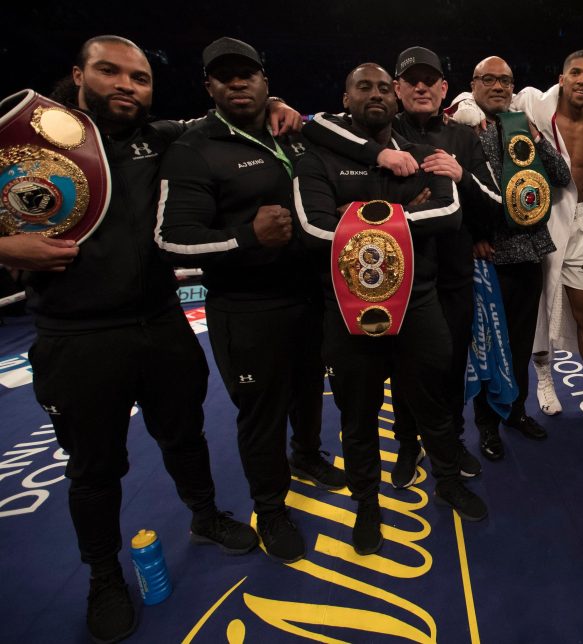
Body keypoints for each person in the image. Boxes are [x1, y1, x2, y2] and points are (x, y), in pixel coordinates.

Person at [5, 34, 296, 643]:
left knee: (185, 432)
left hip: (160, 318)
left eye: (138, 78)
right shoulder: (28, 142)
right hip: (76, 333)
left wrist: (279, 107)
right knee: (93, 468)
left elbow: (228, 116)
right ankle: (104, 575)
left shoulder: (160, 138)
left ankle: (204, 516)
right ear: (78, 76)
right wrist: (5, 245)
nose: (125, 87)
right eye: (109, 72)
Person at [155, 37, 345, 566]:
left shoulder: (295, 133)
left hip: (311, 295)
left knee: (310, 389)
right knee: (261, 413)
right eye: (225, 76)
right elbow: (173, 239)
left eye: (247, 74)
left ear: (265, 80)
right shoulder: (195, 147)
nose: (238, 83)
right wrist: (246, 236)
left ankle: (307, 457)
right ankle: (271, 508)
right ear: (209, 86)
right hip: (247, 308)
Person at [293, 62, 489, 556]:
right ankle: (367, 504)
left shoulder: (426, 154)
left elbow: (447, 214)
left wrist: (352, 217)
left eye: (384, 87)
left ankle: (447, 480)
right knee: (356, 417)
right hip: (347, 312)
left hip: (419, 305)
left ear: (395, 96)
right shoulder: (316, 157)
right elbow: (314, 230)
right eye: (365, 86)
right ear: (346, 95)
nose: (376, 94)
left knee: (436, 404)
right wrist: (406, 212)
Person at [501, 50, 583, 435]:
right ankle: (545, 378)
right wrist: (464, 108)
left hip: (580, 221)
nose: (581, 79)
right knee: (538, 307)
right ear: (562, 77)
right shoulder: (532, 102)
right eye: (574, 72)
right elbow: (483, 97)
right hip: (536, 220)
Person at [448, 55, 571, 458]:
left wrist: (536, 136)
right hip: (488, 258)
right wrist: (471, 239)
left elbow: (562, 175)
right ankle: (486, 424)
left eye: (506, 80)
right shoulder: (460, 126)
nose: (499, 87)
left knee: (520, 343)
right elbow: (454, 192)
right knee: (487, 347)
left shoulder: (523, 123)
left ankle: (515, 410)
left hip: (529, 253)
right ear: (474, 84)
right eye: (490, 80)